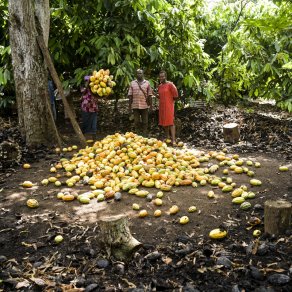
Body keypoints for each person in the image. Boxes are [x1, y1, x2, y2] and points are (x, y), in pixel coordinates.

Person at [128, 69, 153, 137]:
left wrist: (151, 107)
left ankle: (144, 135)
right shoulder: (132, 83)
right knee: (136, 122)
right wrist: (129, 107)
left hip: (144, 105)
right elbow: (130, 95)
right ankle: (138, 135)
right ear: (136, 74)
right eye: (138, 73)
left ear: (143, 74)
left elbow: (150, 95)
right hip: (135, 106)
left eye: (140, 73)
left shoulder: (147, 83)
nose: (139, 74)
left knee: (145, 122)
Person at [157, 70, 179, 146]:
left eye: (163, 76)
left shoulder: (170, 85)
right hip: (162, 106)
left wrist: (171, 102)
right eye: (160, 77)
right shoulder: (159, 86)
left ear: (165, 76)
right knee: (164, 123)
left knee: (170, 122)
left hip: (169, 106)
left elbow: (175, 95)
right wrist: (153, 93)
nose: (161, 78)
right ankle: (167, 138)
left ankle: (173, 140)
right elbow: (159, 97)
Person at [80, 75, 98, 140]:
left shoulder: (95, 88)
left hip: (94, 108)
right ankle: (85, 137)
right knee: (86, 123)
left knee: (93, 124)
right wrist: (88, 86)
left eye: (89, 81)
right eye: (86, 81)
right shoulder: (83, 87)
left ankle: (93, 138)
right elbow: (83, 92)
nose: (87, 82)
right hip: (86, 108)